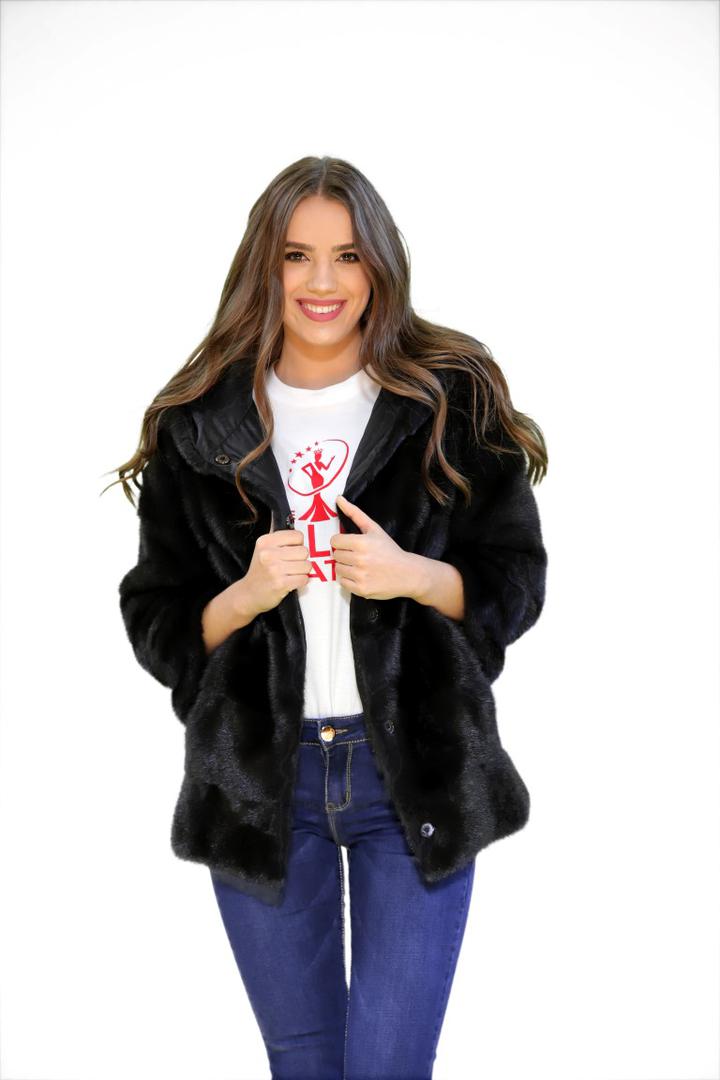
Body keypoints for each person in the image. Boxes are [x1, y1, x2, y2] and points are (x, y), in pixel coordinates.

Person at [109, 156, 548, 1080]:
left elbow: (515, 581)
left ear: (379, 266)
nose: (322, 281)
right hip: (261, 781)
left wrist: (412, 575)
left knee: (388, 1063)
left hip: (415, 774)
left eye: (347, 256)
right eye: (296, 255)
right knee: (303, 1064)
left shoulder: (445, 403)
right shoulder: (203, 422)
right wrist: (245, 594)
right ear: (263, 266)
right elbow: (156, 617)